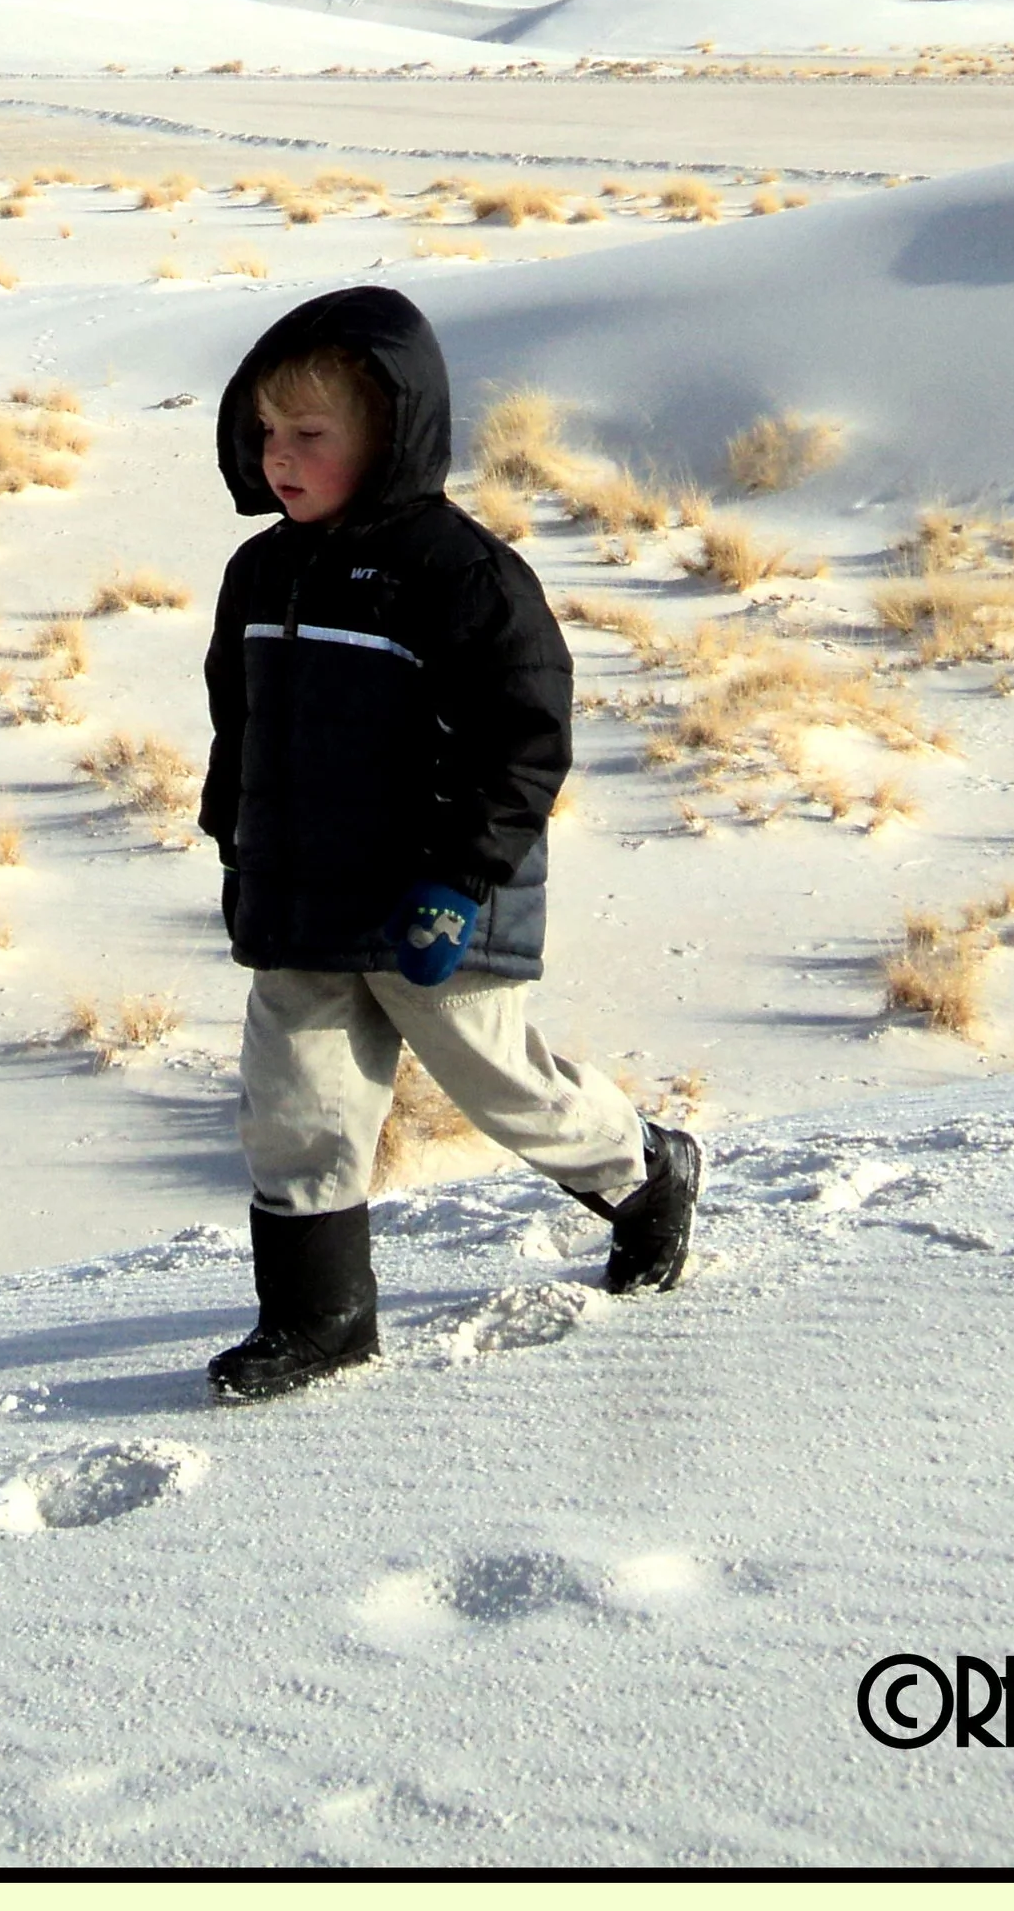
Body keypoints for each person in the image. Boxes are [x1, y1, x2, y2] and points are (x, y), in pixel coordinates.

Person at [197, 283, 701, 1402]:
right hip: (300, 897)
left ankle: (644, 1172)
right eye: (267, 431)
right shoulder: (261, 572)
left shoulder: (457, 573)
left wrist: (463, 875)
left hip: (435, 895)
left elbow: (524, 735)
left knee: (500, 1082)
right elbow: (242, 727)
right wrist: (234, 843)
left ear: (389, 434)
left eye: (310, 435)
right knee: (295, 1104)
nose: (280, 457)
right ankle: (320, 1318)